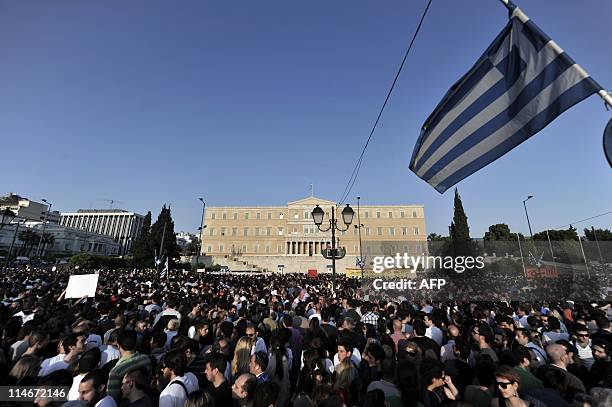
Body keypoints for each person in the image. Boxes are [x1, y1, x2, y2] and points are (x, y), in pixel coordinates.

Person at [106, 330, 152, 401]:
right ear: (135, 344)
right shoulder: (146, 359)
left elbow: (112, 398)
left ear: (118, 345)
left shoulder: (116, 371)